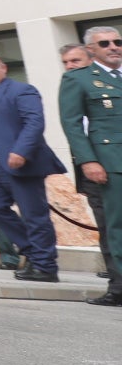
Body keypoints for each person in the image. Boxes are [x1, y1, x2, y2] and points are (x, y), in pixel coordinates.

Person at [0, 53, 65, 282]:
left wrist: (21, 151)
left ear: (3, 68)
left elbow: (34, 122)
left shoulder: (22, 90)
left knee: (33, 214)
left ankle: (46, 266)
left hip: (19, 162)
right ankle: (32, 253)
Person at [61, 27, 122, 306]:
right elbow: (72, 124)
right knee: (117, 226)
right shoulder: (79, 79)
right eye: (105, 43)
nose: (113, 46)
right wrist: (88, 160)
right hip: (110, 162)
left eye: (117, 41)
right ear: (92, 50)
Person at [62, 42, 109, 278]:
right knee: (105, 223)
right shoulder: (72, 91)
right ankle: (115, 274)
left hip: (112, 163)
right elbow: (74, 129)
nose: (70, 67)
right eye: (66, 63)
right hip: (93, 171)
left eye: (75, 61)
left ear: (91, 61)